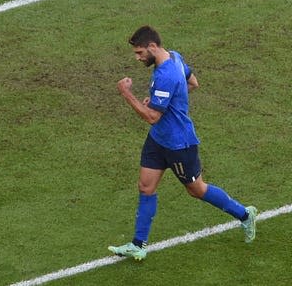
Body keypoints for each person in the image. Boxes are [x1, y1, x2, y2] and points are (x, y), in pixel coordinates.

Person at [108, 25, 256, 260]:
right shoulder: (174, 57)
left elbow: (152, 117)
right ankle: (138, 244)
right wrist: (161, 101)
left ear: (153, 47)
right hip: (158, 140)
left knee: (197, 190)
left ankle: (245, 214)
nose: (137, 58)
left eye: (139, 53)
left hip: (179, 144)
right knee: (146, 187)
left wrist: (127, 93)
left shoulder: (166, 74)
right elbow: (192, 83)